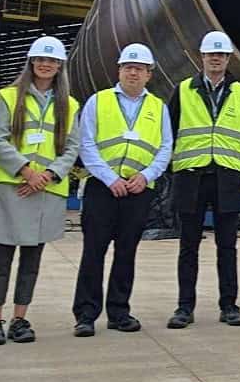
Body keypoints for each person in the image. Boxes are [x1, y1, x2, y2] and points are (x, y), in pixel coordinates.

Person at [0, 35, 80, 346]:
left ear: (60, 66)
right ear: (32, 62)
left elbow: (71, 148)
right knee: (1, 259)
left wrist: (47, 175)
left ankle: (20, 318)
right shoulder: (8, 97)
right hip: (11, 187)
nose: (46, 64)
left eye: (52, 61)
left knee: (31, 260)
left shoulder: (70, 105)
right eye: (41, 59)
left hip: (45, 190)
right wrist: (26, 171)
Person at [72, 43, 173, 336]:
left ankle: (119, 311)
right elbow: (86, 143)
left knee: (126, 252)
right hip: (103, 189)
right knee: (94, 251)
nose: (133, 72)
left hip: (139, 189)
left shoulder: (158, 107)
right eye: (129, 67)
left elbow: (165, 147)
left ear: (149, 74)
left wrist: (146, 176)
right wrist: (108, 178)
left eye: (139, 68)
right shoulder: (98, 101)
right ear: (119, 70)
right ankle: (86, 314)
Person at [167, 31, 240, 329]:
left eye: (222, 55)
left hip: (226, 176)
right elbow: (170, 131)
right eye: (211, 54)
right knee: (188, 246)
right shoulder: (184, 90)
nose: (216, 59)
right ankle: (184, 307)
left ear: (228, 59)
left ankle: (229, 306)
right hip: (191, 177)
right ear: (201, 57)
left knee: (227, 247)